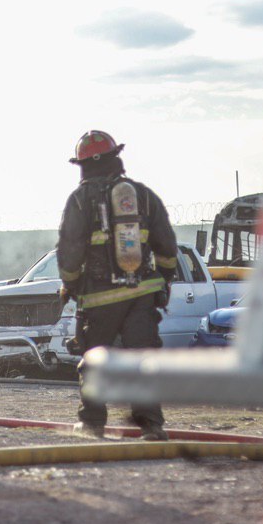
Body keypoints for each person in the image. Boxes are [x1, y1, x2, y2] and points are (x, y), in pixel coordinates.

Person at [56, 130, 178, 441]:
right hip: (142, 295)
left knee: (95, 359)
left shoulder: (79, 200)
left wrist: (71, 284)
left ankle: (92, 424)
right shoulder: (143, 195)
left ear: (82, 165)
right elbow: (167, 246)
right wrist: (164, 280)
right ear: (116, 159)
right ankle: (151, 426)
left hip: (99, 299)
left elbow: (69, 251)